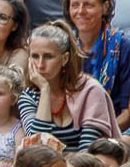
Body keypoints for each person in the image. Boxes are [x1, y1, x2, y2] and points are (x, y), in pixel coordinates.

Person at [18, 25, 118, 155]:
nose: (40, 65)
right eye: (35, 56)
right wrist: (45, 90)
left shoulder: (90, 90)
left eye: (48, 57)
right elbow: (37, 145)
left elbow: (88, 148)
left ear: (64, 59)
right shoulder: (28, 96)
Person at [65, 0, 130, 124]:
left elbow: (128, 112)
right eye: (75, 5)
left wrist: (98, 135)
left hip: (111, 129)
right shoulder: (63, 45)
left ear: (104, 7)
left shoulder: (124, 47)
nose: (80, 11)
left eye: (89, 5)